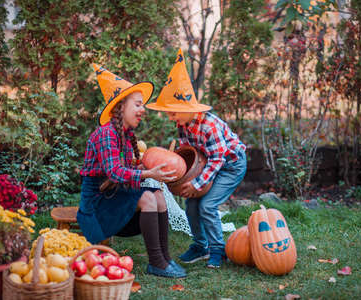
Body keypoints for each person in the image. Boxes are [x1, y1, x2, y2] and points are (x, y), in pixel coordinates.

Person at [77, 64, 186, 278]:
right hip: (97, 203)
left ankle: (164, 258)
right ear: (120, 107)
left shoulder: (125, 136)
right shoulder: (106, 133)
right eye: (138, 104)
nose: (143, 109)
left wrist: (147, 168)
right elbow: (115, 173)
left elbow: (125, 174)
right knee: (147, 197)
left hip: (113, 196)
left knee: (158, 196)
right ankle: (156, 262)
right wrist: (147, 174)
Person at [146, 49, 247, 268]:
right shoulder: (182, 124)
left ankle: (218, 251)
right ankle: (201, 246)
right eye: (168, 113)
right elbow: (187, 154)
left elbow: (218, 160)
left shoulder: (209, 126)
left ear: (187, 108)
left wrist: (198, 183)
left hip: (230, 165)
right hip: (208, 164)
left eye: (173, 113)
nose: (170, 117)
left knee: (208, 205)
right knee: (192, 204)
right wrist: (177, 175)